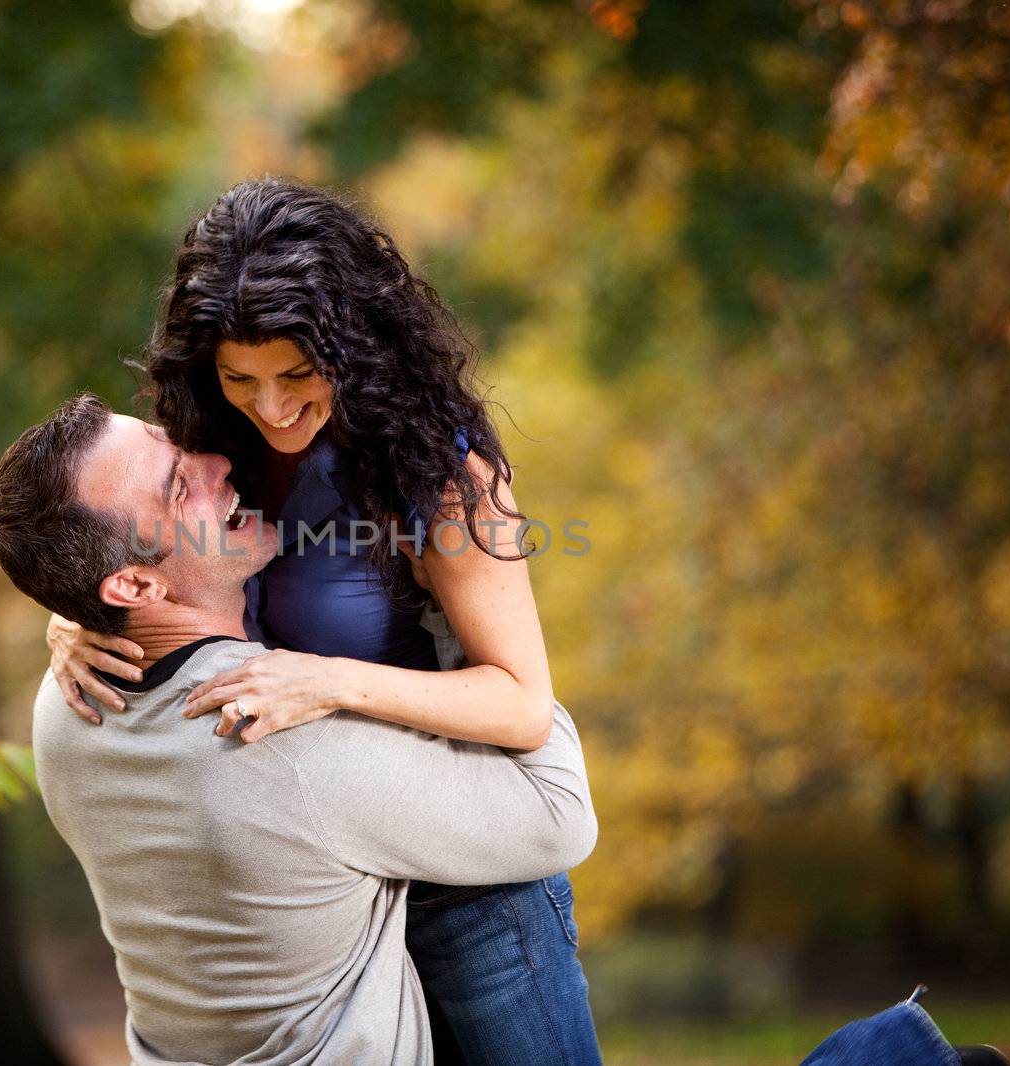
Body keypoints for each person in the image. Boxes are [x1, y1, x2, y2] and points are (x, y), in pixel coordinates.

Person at [47, 179, 602, 1064]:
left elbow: (521, 704)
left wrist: (331, 681)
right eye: (240, 378)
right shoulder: (209, 451)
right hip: (320, 912)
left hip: (469, 895)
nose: (269, 408)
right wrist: (73, 621)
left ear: (358, 348)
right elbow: (134, 564)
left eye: (298, 376)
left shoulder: (442, 478)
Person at [0, 394, 598, 1065]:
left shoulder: (61, 711)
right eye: (179, 485)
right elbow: (557, 813)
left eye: (176, 441)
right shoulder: (274, 731)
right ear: (133, 586)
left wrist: (73, 616)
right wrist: (462, 612)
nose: (218, 461)